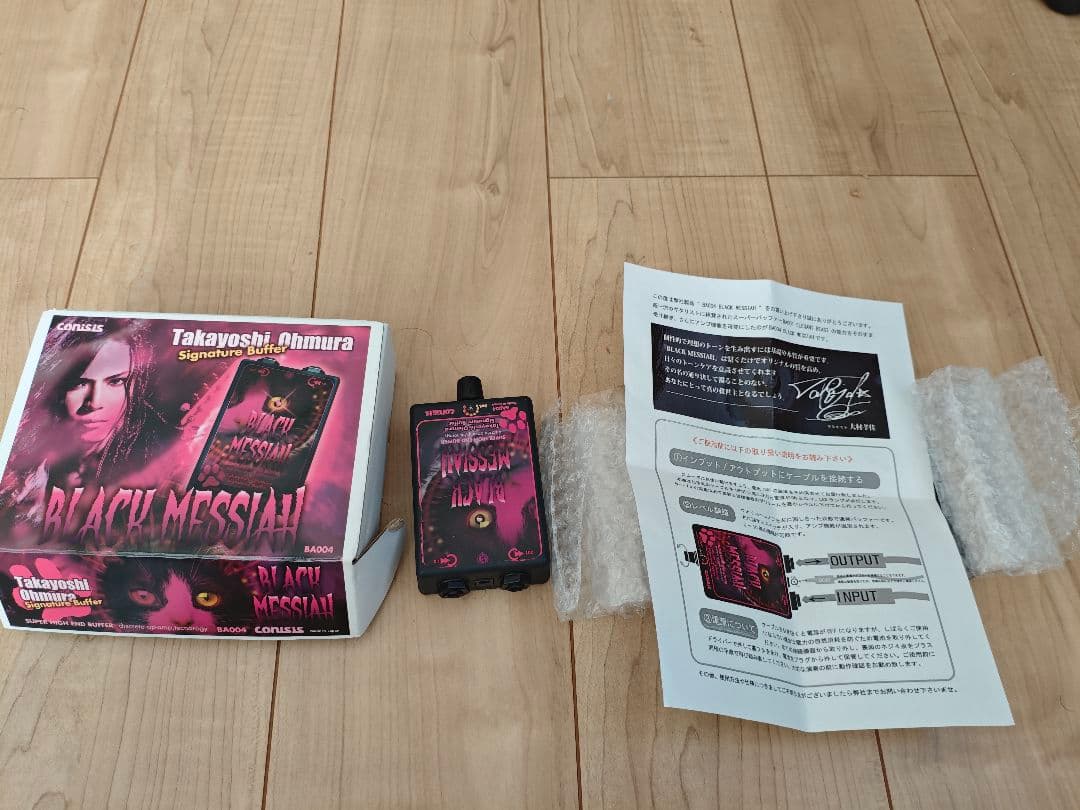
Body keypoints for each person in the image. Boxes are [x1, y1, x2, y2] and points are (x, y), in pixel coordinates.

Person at [0, 318, 172, 533]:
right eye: (79, 383)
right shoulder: (21, 459)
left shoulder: (156, 459)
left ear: (135, 385)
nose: (94, 402)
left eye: (115, 381)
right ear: (55, 389)